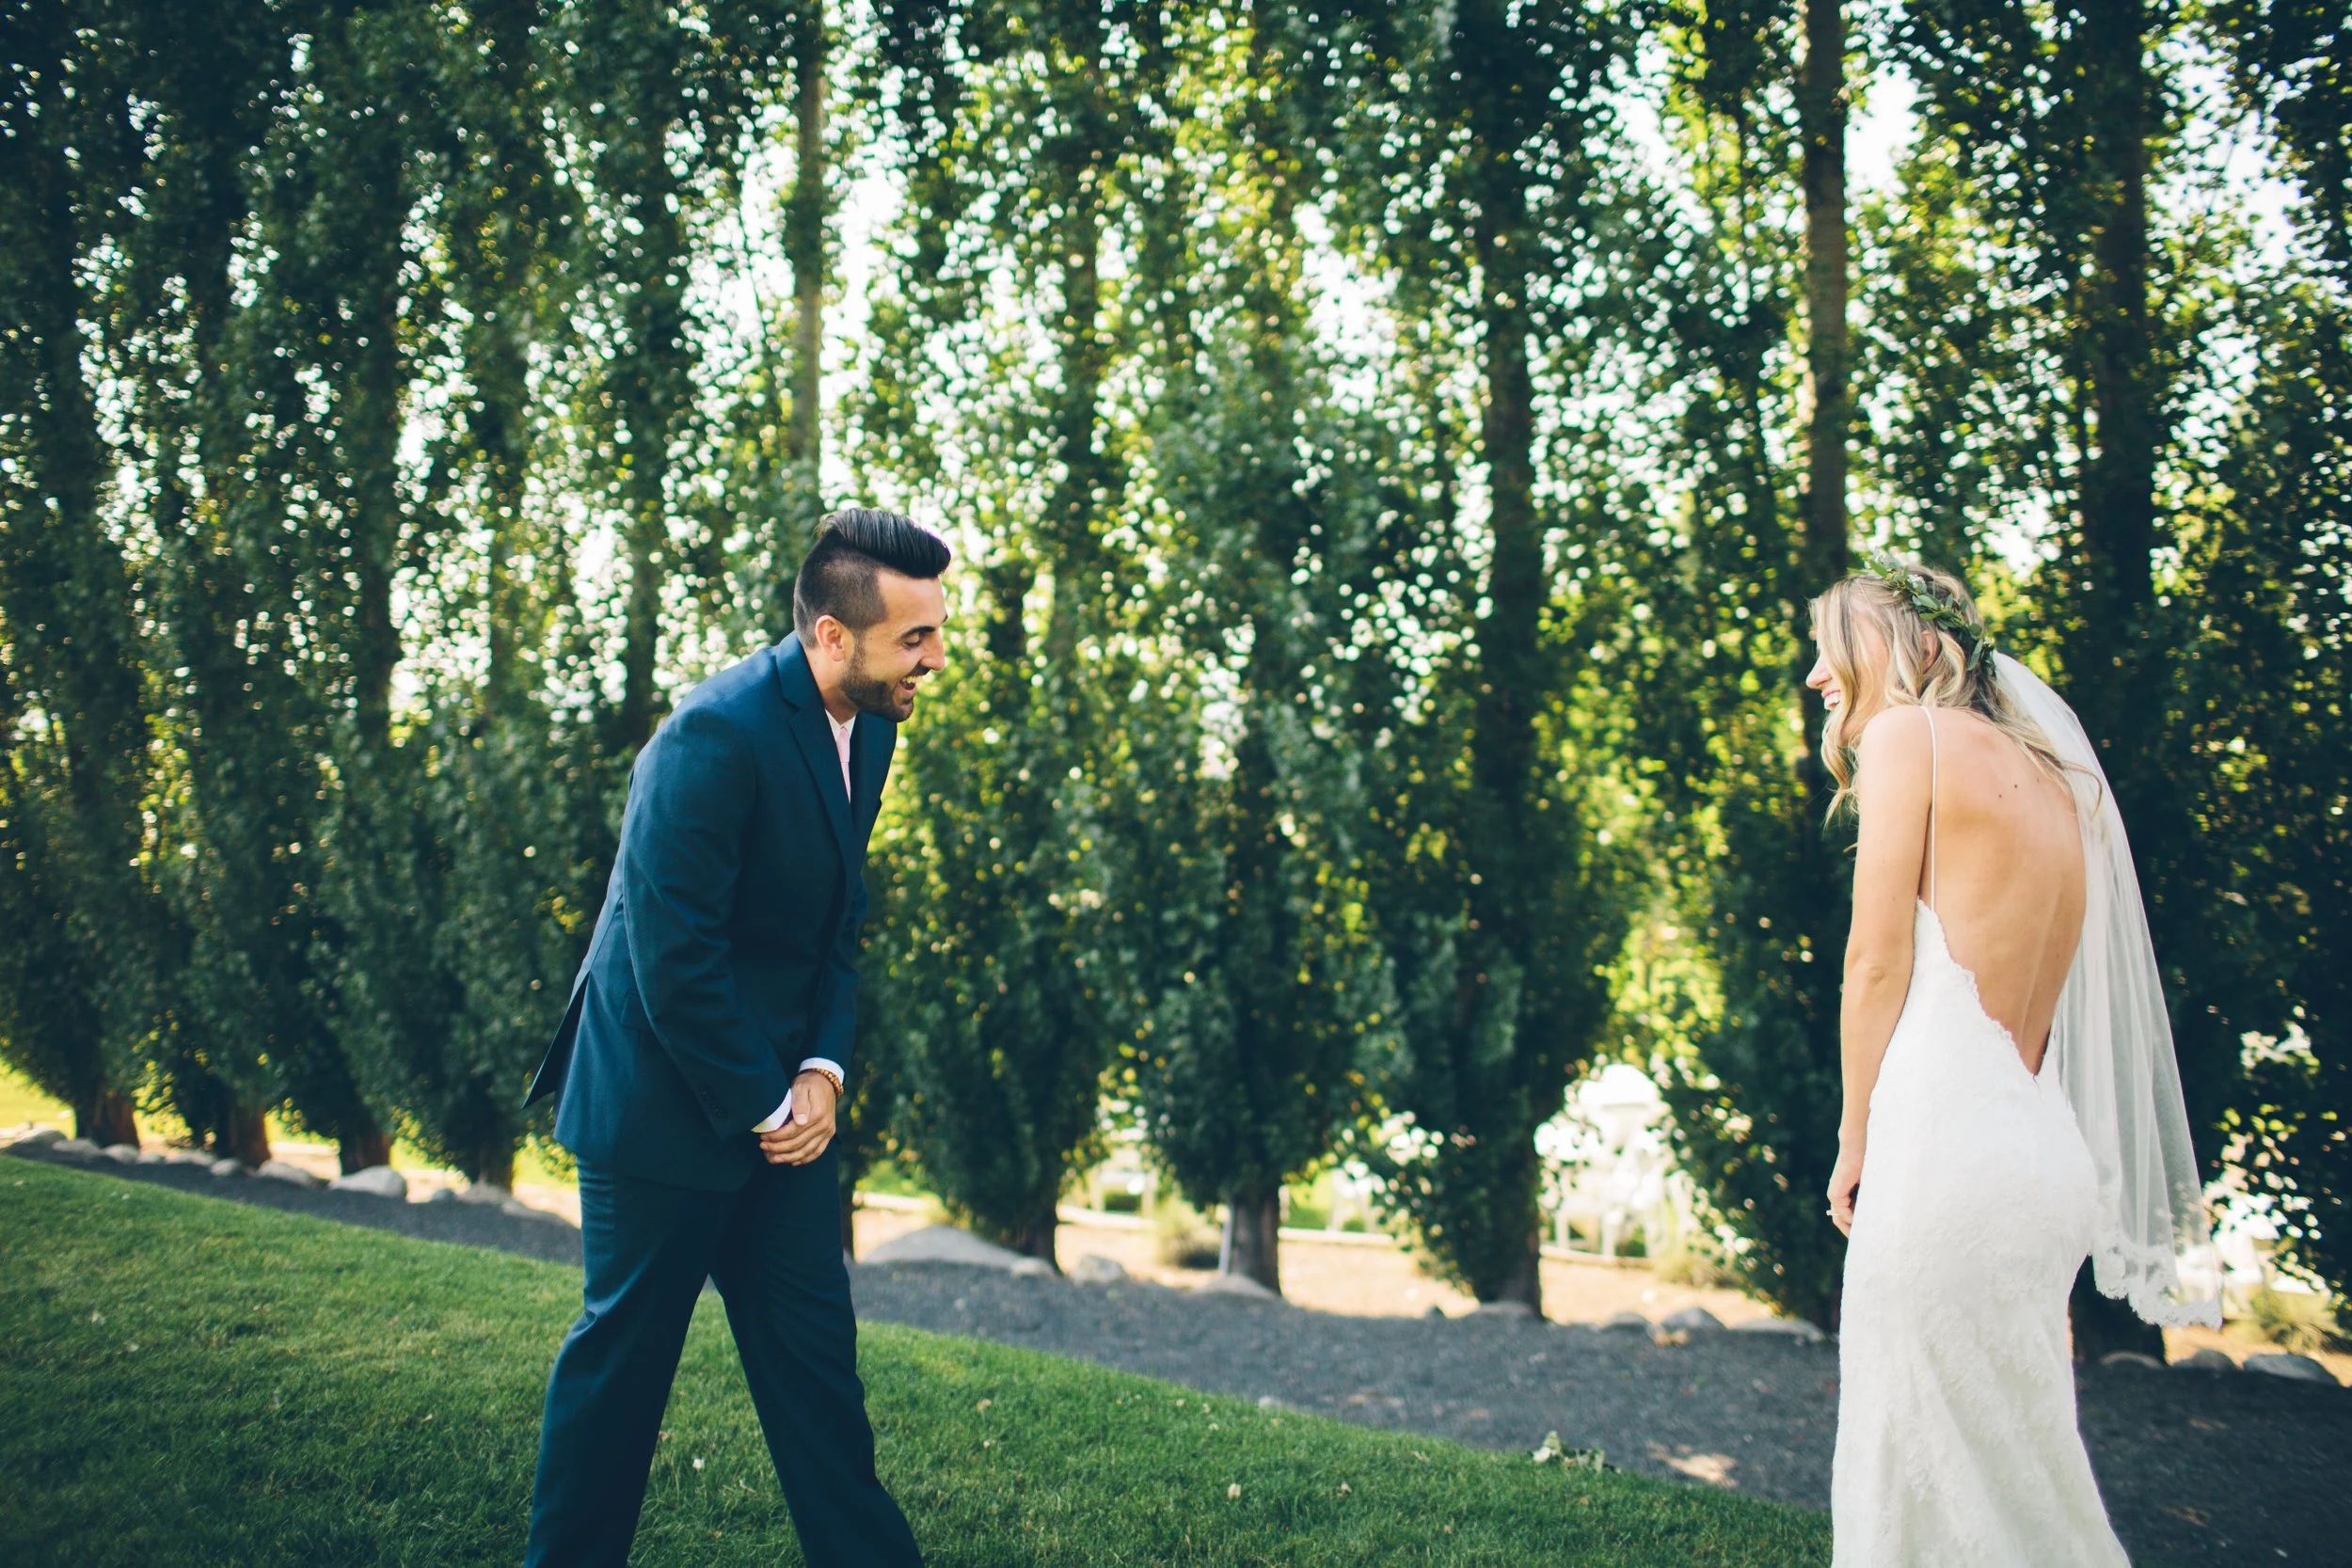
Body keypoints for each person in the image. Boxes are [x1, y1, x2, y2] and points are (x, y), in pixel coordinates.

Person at [520, 508, 950, 1568]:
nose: (936, 659)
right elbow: (673, 956)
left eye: (938, 631)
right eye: (915, 638)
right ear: (830, 637)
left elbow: (837, 921)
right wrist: (768, 1106)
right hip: (659, 1103)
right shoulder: (711, 734)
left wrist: (821, 1068)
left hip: (786, 1114)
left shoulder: (876, 721)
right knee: (618, 1383)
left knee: (819, 1385)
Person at [1808, 553, 2219, 1566]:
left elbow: (1874, 963)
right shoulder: (2053, 777)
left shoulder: (1910, 738)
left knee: (1913, 1464)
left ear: (1914, 645)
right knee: (2024, 1476)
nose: (1818, 678)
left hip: (1944, 1147)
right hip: (2037, 1150)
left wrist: (1853, 1133)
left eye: (1833, 649)